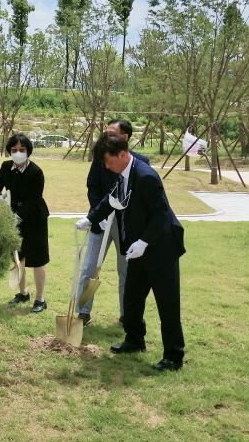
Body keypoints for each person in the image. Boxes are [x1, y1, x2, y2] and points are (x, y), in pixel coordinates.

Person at [76, 132, 186, 372]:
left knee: (167, 304)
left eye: (108, 161)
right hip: (137, 249)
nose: (106, 167)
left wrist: (144, 242)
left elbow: (160, 215)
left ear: (123, 154)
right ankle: (135, 341)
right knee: (132, 298)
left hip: (160, 248)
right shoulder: (122, 173)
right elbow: (111, 199)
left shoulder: (146, 176)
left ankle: (173, 356)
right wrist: (90, 218)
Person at [77, 119, 150, 326]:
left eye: (111, 133)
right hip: (100, 221)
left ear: (125, 138)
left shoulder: (140, 163)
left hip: (126, 225)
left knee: (126, 271)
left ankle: (127, 315)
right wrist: (96, 217)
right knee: (89, 267)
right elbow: (93, 186)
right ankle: (83, 313)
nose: (105, 136)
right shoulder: (101, 158)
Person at [0, 133, 50, 313]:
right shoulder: (6, 166)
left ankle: (40, 299)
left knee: (38, 260)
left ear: (28, 151)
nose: (18, 153)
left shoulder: (36, 172)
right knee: (19, 257)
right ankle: (23, 293)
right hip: (12, 215)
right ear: (9, 151)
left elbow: (33, 200)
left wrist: (17, 217)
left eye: (22, 150)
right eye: (14, 150)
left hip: (34, 218)